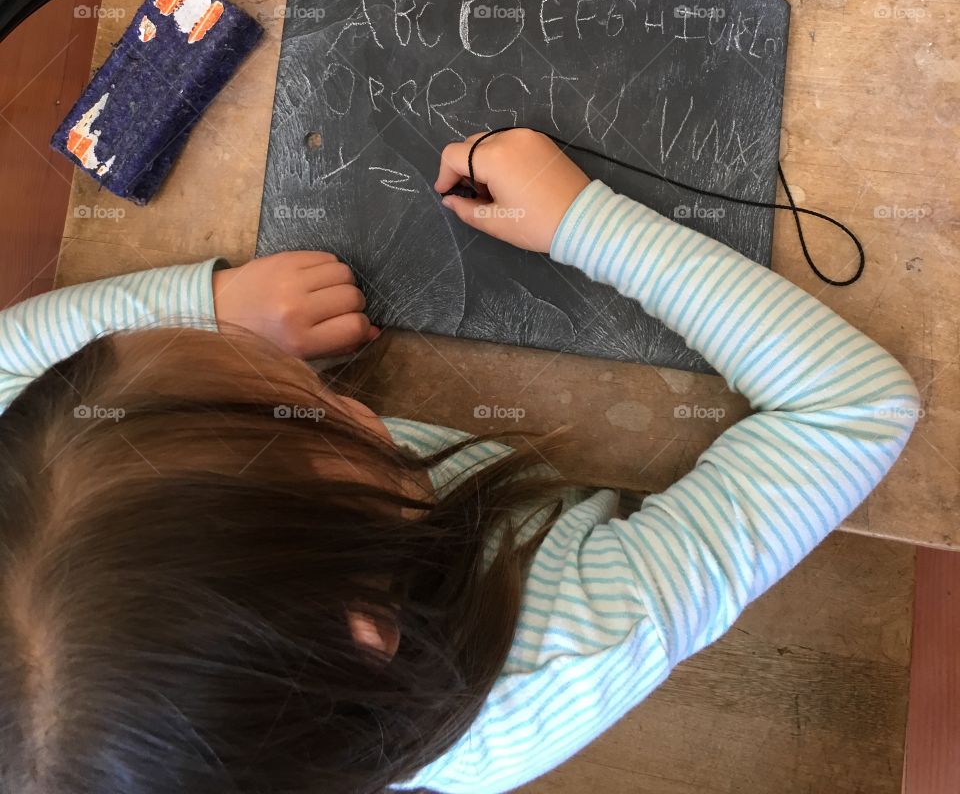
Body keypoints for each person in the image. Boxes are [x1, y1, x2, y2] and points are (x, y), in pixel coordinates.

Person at [0, 129, 919, 794]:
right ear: (367, 623)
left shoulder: (32, 506)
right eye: (304, 410)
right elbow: (851, 408)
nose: (307, 377)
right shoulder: (562, 646)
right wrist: (585, 225)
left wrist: (209, 309)